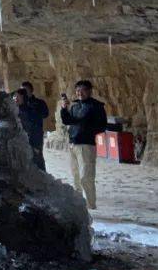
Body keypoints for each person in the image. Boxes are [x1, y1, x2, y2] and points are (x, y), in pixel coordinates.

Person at [59, 79, 107, 210]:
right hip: (73, 143)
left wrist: (87, 129)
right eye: (78, 90)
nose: (80, 93)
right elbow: (68, 120)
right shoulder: (75, 106)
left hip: (86, 144)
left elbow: (102, 125)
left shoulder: (96, 106)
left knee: (86, 176)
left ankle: (90, 205)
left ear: (90, 91)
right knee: (76, 176)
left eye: (83, 90)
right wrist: (64, 108)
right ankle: (80, 203)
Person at [14, 86, 49, 171]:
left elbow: (36, 129)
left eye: (17, 96)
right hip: (22, 144)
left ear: (23, 97)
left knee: (38, 167)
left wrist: (36, 146)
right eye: (15, 96)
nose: (15, 99)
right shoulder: (16, 111)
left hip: (33, 144)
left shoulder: (32, 111)